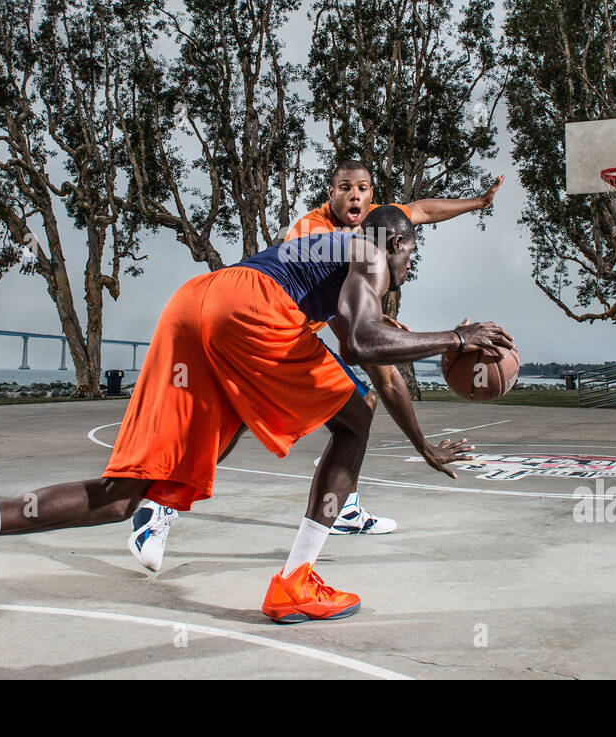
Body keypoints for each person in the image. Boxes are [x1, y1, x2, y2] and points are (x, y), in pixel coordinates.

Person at [0, 205, 513, 629]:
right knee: (354, 417)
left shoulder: (332, 261)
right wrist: (457, 339)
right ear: (393, 239)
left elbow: (379, 363)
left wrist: (424, 444)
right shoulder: (369, 247)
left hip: (197, 303)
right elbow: (365, 346)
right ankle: (294, 580)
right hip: (249, 308)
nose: (404, 267)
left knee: (125, 492)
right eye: (409, 255)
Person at [127, 159, 505, 570]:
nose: (355, 195)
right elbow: (358, 344)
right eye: (345, 187)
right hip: (272, 323)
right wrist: (430, 340)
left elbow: (424, 210)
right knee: (354, 408)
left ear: (373, 198)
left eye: (363, 187)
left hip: (245, 314)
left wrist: (478, 202)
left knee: (300, 411)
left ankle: (335, 506)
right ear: (331, 194)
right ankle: (169, 504)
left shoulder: (379, 227)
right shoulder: (316, 233)